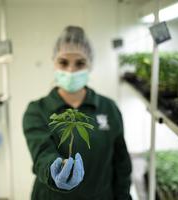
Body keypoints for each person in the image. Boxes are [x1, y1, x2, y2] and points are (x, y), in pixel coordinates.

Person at [23, 26, 132, 200]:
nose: (71, 70)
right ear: (54, 62)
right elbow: (42, 154)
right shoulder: (38, 110)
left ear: (90, 64)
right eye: (63, 62)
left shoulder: (108, 107)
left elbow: (121, 163)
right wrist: (55, 170)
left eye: (80, 63)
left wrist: (124, 196)